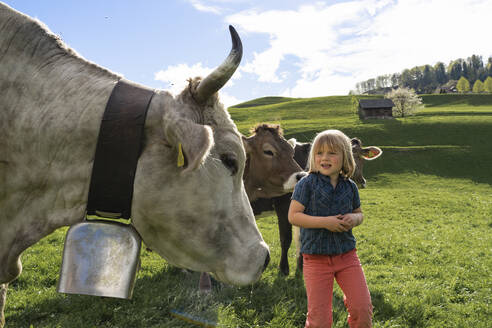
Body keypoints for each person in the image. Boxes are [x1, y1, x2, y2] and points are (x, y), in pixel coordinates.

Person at [288, 129, 373, 328]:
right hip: (316, 259)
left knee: (362, 307)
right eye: (319, 153)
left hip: (347, 256)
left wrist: (354, 218)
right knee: (320, 320)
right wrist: (325, 222)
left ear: (345, 157)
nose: (324, 158)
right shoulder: (306, 184)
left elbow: (359, 213)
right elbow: (293, 216)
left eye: (332, 153)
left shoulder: (350, 186)